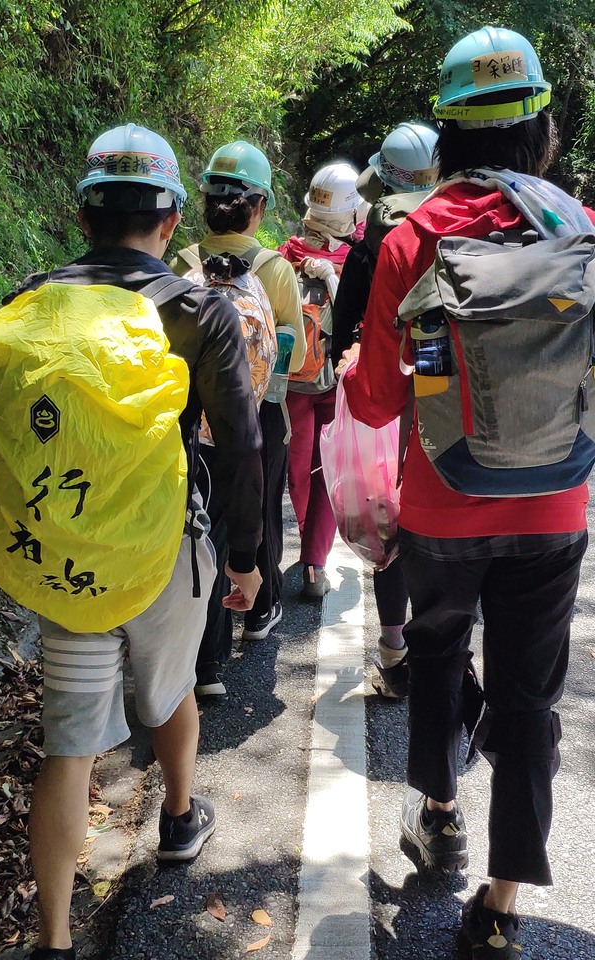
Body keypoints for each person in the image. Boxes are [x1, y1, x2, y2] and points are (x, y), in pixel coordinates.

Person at [0, 124, 264, 960]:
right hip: (163, 550)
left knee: (67, 747)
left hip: (64, 555)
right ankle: (178, 819)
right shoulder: (196, 309)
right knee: (171, 688)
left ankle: (56, 940)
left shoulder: (35, 301)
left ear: (84, 214)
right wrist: (243, 559)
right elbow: (241, 443)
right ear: (171, 219)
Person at [342, 26, 594, 959]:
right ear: (543, 129)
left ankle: (441, 810)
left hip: (443, 502)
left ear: (446, 135)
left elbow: (372, 398)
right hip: (555, 503)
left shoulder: (413, 239)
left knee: (441, 653)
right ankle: (501, 903)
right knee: (530, 698)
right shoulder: (581, 230)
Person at [171, 141, 305, 695]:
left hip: (190, 416)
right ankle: (260, 610)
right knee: (258, 507)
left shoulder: (182, 262)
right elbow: (294, 356)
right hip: (259, 411)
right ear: (259, 207)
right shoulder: (274, 269)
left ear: (204, 202)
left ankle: (204, 659)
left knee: (201, 522)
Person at [332, 121, 439, 698]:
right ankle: (446, 646)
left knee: (387, 521)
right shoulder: (457, 227)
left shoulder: (370, 247)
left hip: (388, 409)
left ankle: (395, 651)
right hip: (449, 407)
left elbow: (340, 338)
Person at [278, 161, 362, 601]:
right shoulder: (360, 259)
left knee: (299, 469)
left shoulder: (285, 254)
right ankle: (314, 560)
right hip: (338, 380)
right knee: (328, 467)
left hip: (294, 380)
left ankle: (308, 551)